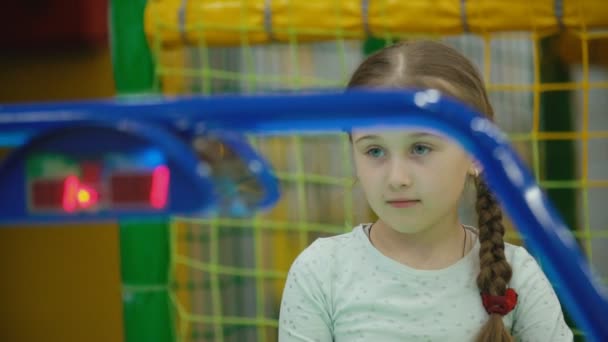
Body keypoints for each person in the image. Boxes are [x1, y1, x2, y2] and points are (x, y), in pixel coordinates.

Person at [278, 40, 573, 342]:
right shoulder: (321, 272)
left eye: (420, 148)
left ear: (476, 153)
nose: (397, 178)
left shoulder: (520, 277)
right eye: (375, 151)